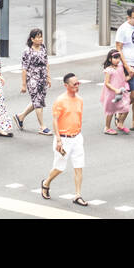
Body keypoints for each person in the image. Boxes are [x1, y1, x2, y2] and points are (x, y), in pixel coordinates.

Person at [40, 73, 87, 205]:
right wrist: (59, 140)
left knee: (79, 166)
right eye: (74, 84)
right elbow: (55, 120)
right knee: (60, 167)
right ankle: (46, 182)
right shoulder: (60, 100)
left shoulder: (80, 99)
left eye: (78, 83)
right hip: (64, 139)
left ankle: (77, 195)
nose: (77, 86)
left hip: (77, 137)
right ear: (66, 86)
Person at [16, 28, 51, 134]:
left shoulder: (43, 47)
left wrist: (48, 77)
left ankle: (20, 117)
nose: (40, 39)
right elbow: (24, 68)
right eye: (38, 37)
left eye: (41, 37)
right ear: (32, 39)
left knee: (38, 100)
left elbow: (46, 62)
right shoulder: (27, 51)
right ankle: (42, 126)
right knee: (38, 102)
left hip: (42, 78)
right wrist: (23, 84)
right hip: (33, 79)